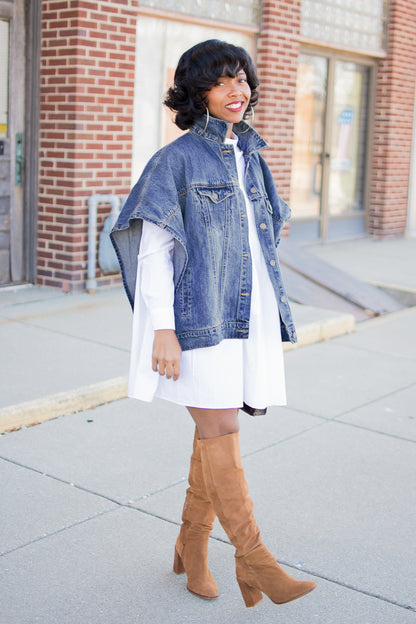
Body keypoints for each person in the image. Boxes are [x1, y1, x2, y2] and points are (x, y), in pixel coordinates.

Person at [111, 39, 316, 608]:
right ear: (197, 90)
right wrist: (162, 330)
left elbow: (263, 235)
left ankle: (191, 549)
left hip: (244, 316)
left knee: (214, 433)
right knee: (222, 430)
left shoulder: (251, 153)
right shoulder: (174, 160)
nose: (238, 91)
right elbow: (153, 252)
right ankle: (257, 562)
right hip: (196, 321)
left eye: (243, 80)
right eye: (223, 81)